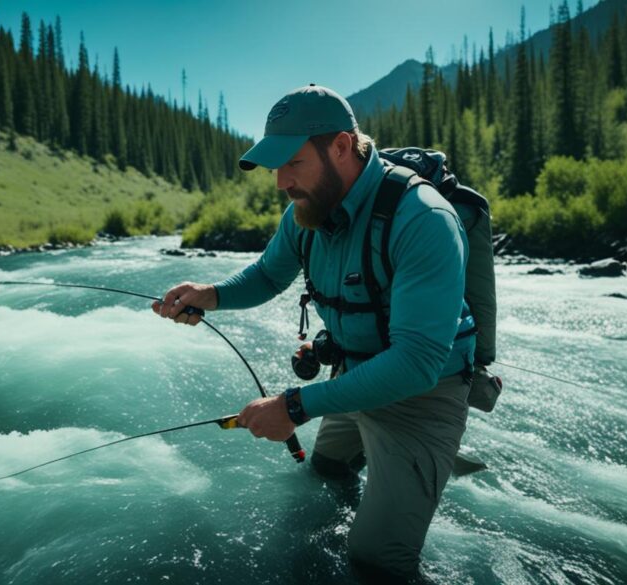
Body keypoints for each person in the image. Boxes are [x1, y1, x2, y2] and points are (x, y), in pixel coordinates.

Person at [152, 84, 475, 581]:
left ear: (342, 147)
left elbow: (415, 363)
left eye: (292, 163)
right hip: (354, 374)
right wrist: (209, 294)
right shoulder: (304, 212)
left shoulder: (423, 218)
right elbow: (265, 276)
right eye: (275, 167)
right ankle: (407, 480)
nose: (281, 181)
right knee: (325, 473)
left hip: (423, 395)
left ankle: (420, 469)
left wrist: (294, 406)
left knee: (376, 561)